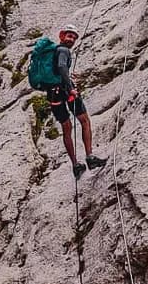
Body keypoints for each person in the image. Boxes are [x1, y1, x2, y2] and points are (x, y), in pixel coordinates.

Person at [29, 24, 107, 175]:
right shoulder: (63, 50)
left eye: (74, 37)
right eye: (69, 36)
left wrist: (66, 78)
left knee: (66, 127)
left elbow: (58, 69)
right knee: (84, 121)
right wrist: (70, 86)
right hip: (65, 90)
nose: (71, 39)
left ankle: (75, 165)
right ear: (62, 36)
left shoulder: (54, 51)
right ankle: (90, 157)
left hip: (52, 94)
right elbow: (62, 67)